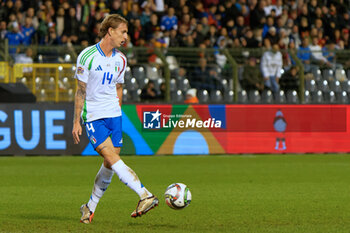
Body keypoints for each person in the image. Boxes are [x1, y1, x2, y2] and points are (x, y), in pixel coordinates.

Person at [72, 14, 158, 224]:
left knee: (110, 162)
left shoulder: (121, 59)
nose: (126, 37)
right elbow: (80, 91)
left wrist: (118, 112)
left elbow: (118, 87)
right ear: (110, 31)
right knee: (111, 158)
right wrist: (76, 121)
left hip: (114, 115)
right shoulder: (87, 56)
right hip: (93, 116)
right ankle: (144, 194)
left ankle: (89, 207)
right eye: (123, 32)